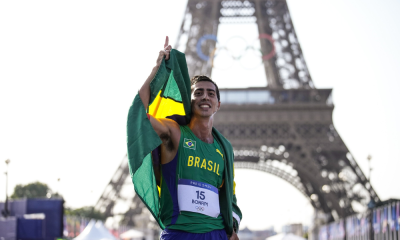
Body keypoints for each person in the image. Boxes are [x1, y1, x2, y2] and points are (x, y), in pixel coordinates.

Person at [137, 36, 241, 240]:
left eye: (211, 94)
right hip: (180, 234)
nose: (205, 97)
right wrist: (156, 70)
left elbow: (229, 194)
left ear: (218, 104)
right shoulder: (175, 132)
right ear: (189, 101)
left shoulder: (224, 148)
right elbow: (141, 115)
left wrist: (232, 230)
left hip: (217, 233)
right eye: (199, 93)